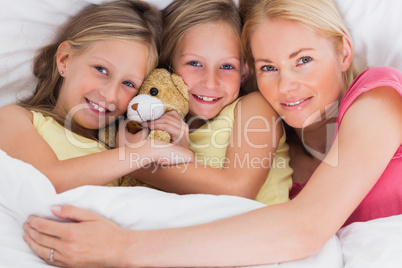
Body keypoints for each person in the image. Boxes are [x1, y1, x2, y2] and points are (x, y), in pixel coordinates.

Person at [23, 0, 402, 266]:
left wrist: (124, 247)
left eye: (304, 60)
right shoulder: (283, 147)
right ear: (253, 73)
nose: (287, 85)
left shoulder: (378, 96)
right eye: (269, 67)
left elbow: (303, 228)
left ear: (344, 52)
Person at [0, 0, 193, 193]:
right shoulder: (14, 118)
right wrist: (145, 152)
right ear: (65, 60)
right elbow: (47, 181)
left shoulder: (120, 148)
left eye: (128, 84)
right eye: (101, 70)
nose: (109, 95)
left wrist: (180, 145)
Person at [123, 0, 292, 206]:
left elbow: (237, 189)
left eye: (227, 66)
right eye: (194, 63)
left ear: (244, 72)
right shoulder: (161, 117)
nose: (210, 82)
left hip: (264, 232)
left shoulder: (253, 107)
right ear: (168, 64)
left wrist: (134, 162)